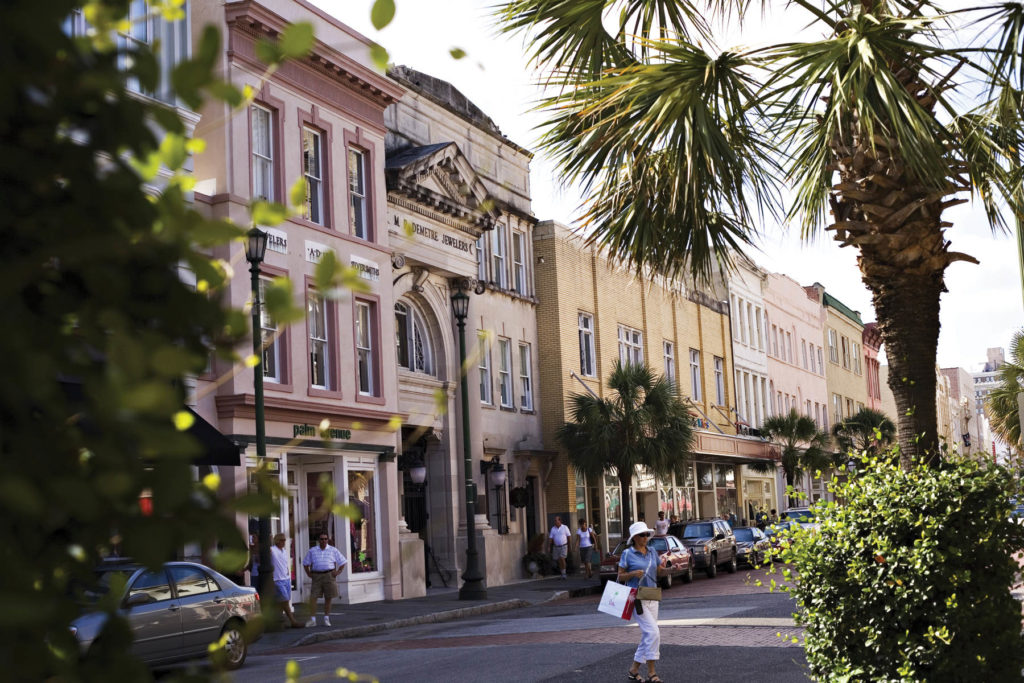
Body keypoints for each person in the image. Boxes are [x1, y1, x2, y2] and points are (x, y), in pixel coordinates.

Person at [619, 521, 671, 683]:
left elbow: (659, 571)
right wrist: (633, 574)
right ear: (634, 537)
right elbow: (620, 576)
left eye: (647, 534)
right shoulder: (627, 554)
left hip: (652, 595)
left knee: (648, 635)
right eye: (642, 535)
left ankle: (634, 669)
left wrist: (671, 569)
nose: (645, 537)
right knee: (653, 632)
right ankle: (651, 672)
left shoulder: (652, 551)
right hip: (637, 599)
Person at [302, 533, 347, 627]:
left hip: (329, 575)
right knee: (313, 598)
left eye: (326, 539)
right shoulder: (312, 550)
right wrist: (308, 574)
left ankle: (326, 618)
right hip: (316, 575)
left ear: (328, 540)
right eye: (322, 539)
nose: (324, 541)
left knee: (328, 598)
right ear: (319, 540)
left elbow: (343, 561)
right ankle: (313, 620)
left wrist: (338, 571)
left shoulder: (333, 550)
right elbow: (305, 563)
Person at [271, 533, 303, 628]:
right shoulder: (272, 550)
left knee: (283, 601)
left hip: (286, 578)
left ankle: (278, 621)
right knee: (284, 600)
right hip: (277, 579)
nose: (284, 542)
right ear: (277, 541)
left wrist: (288, 572)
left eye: (284, 540)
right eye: (282, 540)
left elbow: (285, 563)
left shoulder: (284, 551)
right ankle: (293, 621)